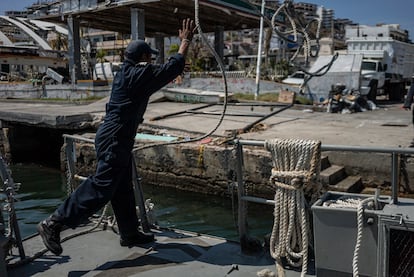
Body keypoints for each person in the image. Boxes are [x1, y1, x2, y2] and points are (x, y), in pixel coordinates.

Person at [37, 18, 195, 255]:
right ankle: (54, 223)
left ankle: (130, 233)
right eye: (149, 56)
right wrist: (185, 42)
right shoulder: (138, 75)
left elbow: (164, 72)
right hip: (115, 138)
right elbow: (169, 69)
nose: (151, 59)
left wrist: (176, 66)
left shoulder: (129, 73)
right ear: (143, 58)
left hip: (114, 136)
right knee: (102, 186)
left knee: (122, 189)